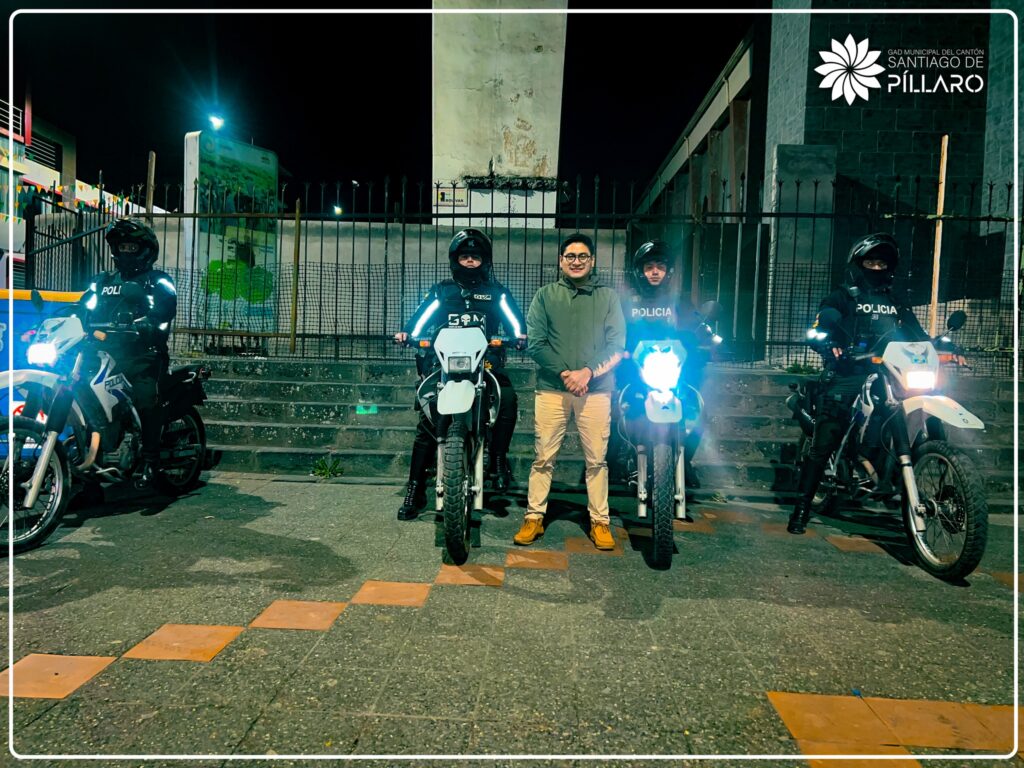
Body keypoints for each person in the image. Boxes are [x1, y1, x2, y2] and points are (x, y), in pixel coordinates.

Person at [788, 232, 928, 535]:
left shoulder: (895, 301)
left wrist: (943, 348)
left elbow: (918, 334)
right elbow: (817, 329)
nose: (876, 268)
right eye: (870, 262)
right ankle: (801, 508)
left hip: (890, 372)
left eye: (881, 263)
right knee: (825, 441)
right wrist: (829, 344)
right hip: (849, 372)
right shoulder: (841, 297)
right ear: (858, 264)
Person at [393, 228, 527, 521]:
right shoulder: (441, 291)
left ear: (485, 261)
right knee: (427, 421)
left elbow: (516, 324)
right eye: (465, 256)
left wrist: (519, 336)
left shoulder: (497, 293)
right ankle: (415, 488)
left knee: (507, 397)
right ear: (455, 259)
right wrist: (408, 333)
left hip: (485, 361)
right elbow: (420, 319)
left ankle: (498, 459)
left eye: (475, 256)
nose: (469, 261)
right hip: (444, 362)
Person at [514, 233, 625, 550]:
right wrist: (566, 374)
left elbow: (616, 345)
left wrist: (587, 372)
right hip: (552, 388)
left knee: (597, 461)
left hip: (597, 390)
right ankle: (534, 516)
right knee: (543, 457)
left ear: (592, 261)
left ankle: (600, 521)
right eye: (571, 256)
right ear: (561, 261)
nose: (577, 261)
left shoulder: (608, 298)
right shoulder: (544, 296)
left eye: (583, 256)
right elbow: (536, 343)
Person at [78, 217, 177, 489]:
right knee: (84, 398)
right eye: (122, 247)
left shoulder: (158, 281)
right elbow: (83, 306)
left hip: (143, 354)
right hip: (103, 354)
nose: (126, 252)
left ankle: (151, 460)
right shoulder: (102, 281)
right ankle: (89, 467)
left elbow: (165, 311)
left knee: (145, 398)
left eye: (132, 247)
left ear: (146, 250)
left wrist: (147, 323)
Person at [612, 239, 708, 488]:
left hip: (671, 371)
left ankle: (684, 461)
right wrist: (617, 350)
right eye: (649, 267)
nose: (655, 272)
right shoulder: (628, 304)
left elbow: (697, 329)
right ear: (639, 271)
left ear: (669, 272)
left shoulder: (680, 303)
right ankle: (616, 459)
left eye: (660, 267)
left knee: (698, 410)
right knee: (613, 408)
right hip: (634, 371)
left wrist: (704, 344)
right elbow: (612, 331)